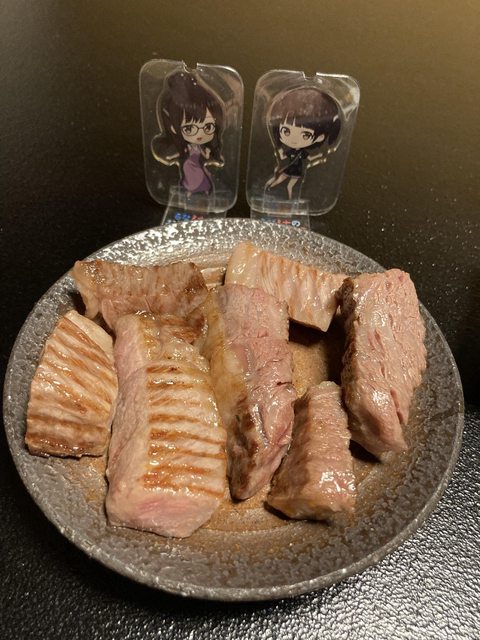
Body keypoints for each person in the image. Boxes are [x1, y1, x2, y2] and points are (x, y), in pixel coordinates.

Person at [152, 70, 224, 195]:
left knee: (199, 176)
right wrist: (171, 156)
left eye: (208, 127)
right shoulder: (184, 149)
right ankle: (191, 189)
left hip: (195, 166)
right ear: (173, 128)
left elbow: (206, 156)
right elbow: (178, 155)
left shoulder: (200, 148)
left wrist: (209, 154)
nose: (200, 134)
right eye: (189, 129)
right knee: (190, 177)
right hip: (188, 166)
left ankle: (201, 189)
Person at [265, 86, 341, 200]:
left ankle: (290, 199)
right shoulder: (291, 151)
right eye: (286, 131)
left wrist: (321, 157)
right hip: (289, 168)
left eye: (305, 135)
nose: (294, 139)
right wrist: (279, 152)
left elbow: (310, 158)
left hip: (297, 171)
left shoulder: (302, 153)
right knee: (279, 178)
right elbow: (283, 156)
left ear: (320, 137)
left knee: (290, 185)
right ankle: (271, 188)